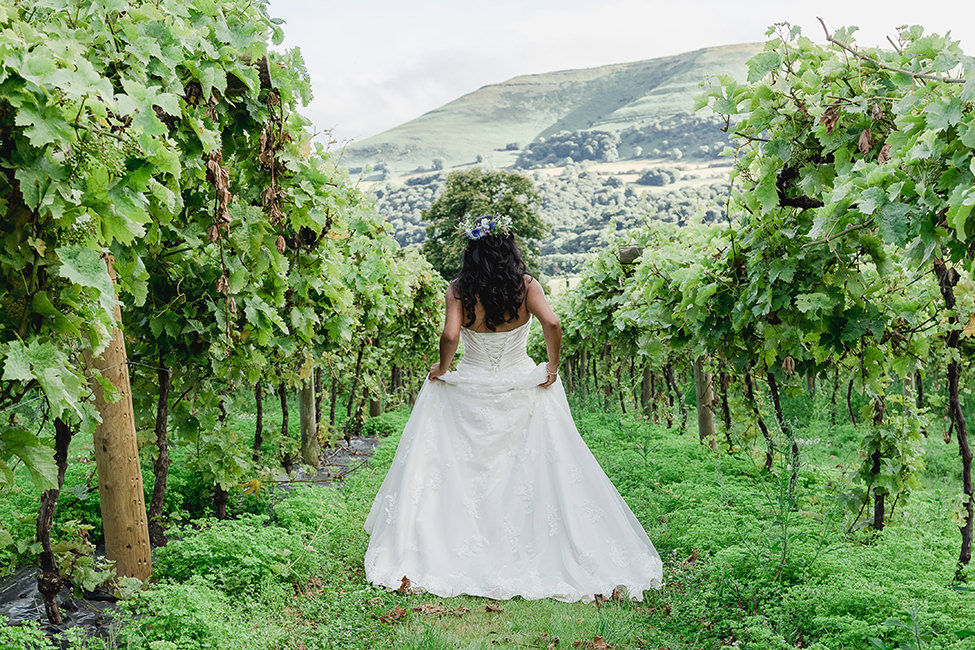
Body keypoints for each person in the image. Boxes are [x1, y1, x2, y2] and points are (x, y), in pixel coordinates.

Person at [363, 214, 663, 602]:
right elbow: (552, 323)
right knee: (532, 467)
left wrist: (443, 367)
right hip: (520, 381)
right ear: (509, 249)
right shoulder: (526, 286)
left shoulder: (458, 290)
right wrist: (551, 368)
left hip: (471, 385)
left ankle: (462, 539)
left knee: (463, 468)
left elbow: (450, 334)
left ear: (470, 251)